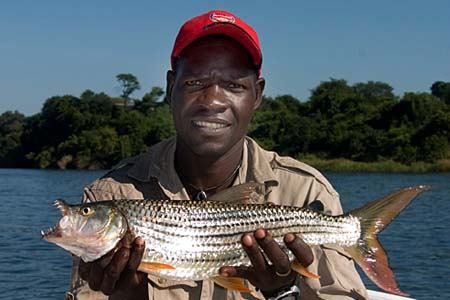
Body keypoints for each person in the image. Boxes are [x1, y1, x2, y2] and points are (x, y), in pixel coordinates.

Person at [67, 10, 368, 300]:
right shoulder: (110, 193)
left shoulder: (307, 192)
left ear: (257, 94)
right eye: (194, 83)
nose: (212, 100)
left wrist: (283, 293)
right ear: (171, 88)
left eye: (234, 85)